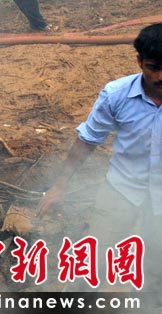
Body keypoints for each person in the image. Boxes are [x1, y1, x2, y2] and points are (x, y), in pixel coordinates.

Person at [39, 23, 162, 285]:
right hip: (122, 188)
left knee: (156, 268)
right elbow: (87, 141)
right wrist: (60, 185)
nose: (161, 76)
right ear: (140, 62)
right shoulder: (116, 95)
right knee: (96, 261)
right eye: (153, 67)